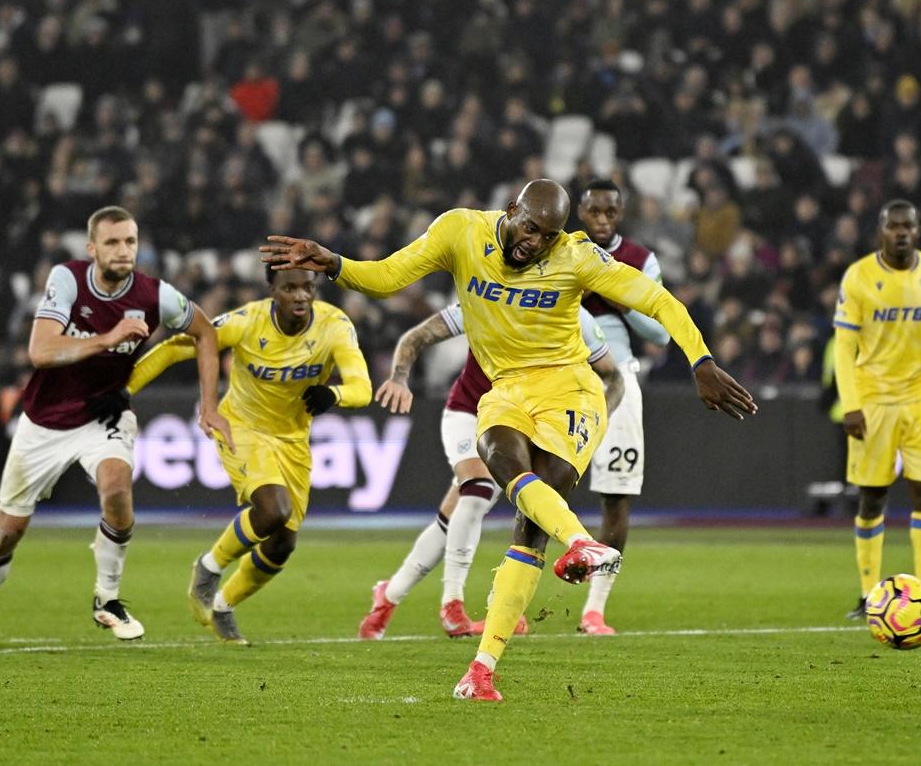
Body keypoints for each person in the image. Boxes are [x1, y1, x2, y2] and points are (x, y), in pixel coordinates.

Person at [260, 178, 756, 701]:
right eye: (529, 227)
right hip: (508, 389)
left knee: (529, 528)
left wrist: (700, 360)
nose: (535, 242)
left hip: (571, 391)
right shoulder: (460, 231)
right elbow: (386, 277)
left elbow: (658, 301)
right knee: (499, 459)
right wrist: (333, 262)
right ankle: (583, 544)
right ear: (512, 209)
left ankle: (483, 667)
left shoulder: (577, 255)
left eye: (547, 235)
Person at [0, 206, 229, 651]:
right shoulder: (68, 280)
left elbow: (206, 334)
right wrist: (108, 338)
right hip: (44, 420)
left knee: (117, 488)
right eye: (113, 242)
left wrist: (210, 405)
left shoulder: (157, 296)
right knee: (6, 532)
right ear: (93, 248)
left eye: (130, 241)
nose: (123, 251)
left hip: (104, 415)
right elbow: (40, 351)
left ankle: (108, 599)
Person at [126, 266, 372, 644]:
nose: (301, 296)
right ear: (272, 289)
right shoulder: (247, 321)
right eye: (290, 288)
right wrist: (123, 391)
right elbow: (176, 348)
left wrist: (334, 394)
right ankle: (208, 570)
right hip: (241, 427)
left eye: (308, 288)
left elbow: (362, 387)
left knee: (283, 543)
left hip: (292, 440)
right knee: (274, 509)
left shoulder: (334, 326)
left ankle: (224, 606)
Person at [358, 301, 623, 639]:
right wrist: (399, 376)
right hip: (468, 411)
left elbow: (613, 377)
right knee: (478, 489)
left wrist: (598, 419)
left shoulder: (573, 313)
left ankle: (389, 595)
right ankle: (452, 604)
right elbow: (420, 335)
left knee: (454, 516)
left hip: (522, 421)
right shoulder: (487, 297)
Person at [833, 199, 921, 620]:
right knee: (872, 498)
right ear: (881, 231)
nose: (901, 232)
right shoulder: (859, 277)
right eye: (894, 226)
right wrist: (851, 404)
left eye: (908, 226)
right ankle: (868, 594)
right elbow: (845, 346)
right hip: (873, 402)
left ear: (918, 231)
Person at [576, 179, 671, 635]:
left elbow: (660, 334)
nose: (601, 220)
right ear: (579, 211)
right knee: (539, 490)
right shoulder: (560, 250)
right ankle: (514, 600)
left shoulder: (638, 259)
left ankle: (594, 609)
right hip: (559, 378)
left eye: (609, 213)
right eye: (593, 211)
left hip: (619, 379)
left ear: (620, 213)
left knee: (616, 496)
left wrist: (620, 297)